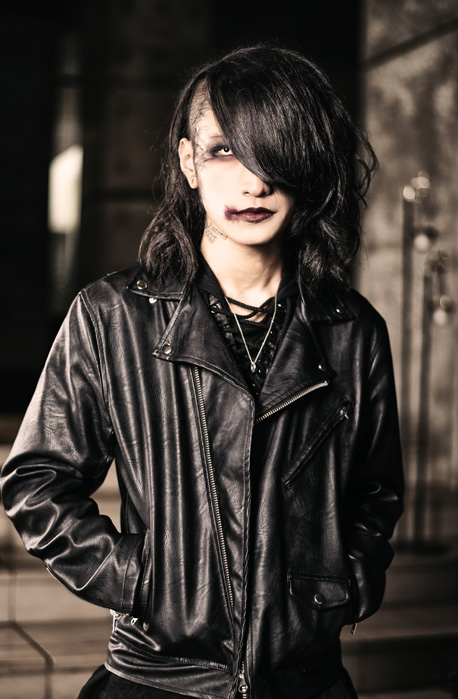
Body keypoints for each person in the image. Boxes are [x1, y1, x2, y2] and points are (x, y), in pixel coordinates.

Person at [0, 45, 403, 698]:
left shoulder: (353, 330)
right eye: (224, 150)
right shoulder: (111, 317)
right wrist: (137, 580)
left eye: (275, 152)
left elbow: (375, 491)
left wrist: (346, 579)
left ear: (306, 163)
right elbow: (36, 480)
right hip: (156, 677)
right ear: (189, 162)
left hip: (306, 680)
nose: (253, 183)